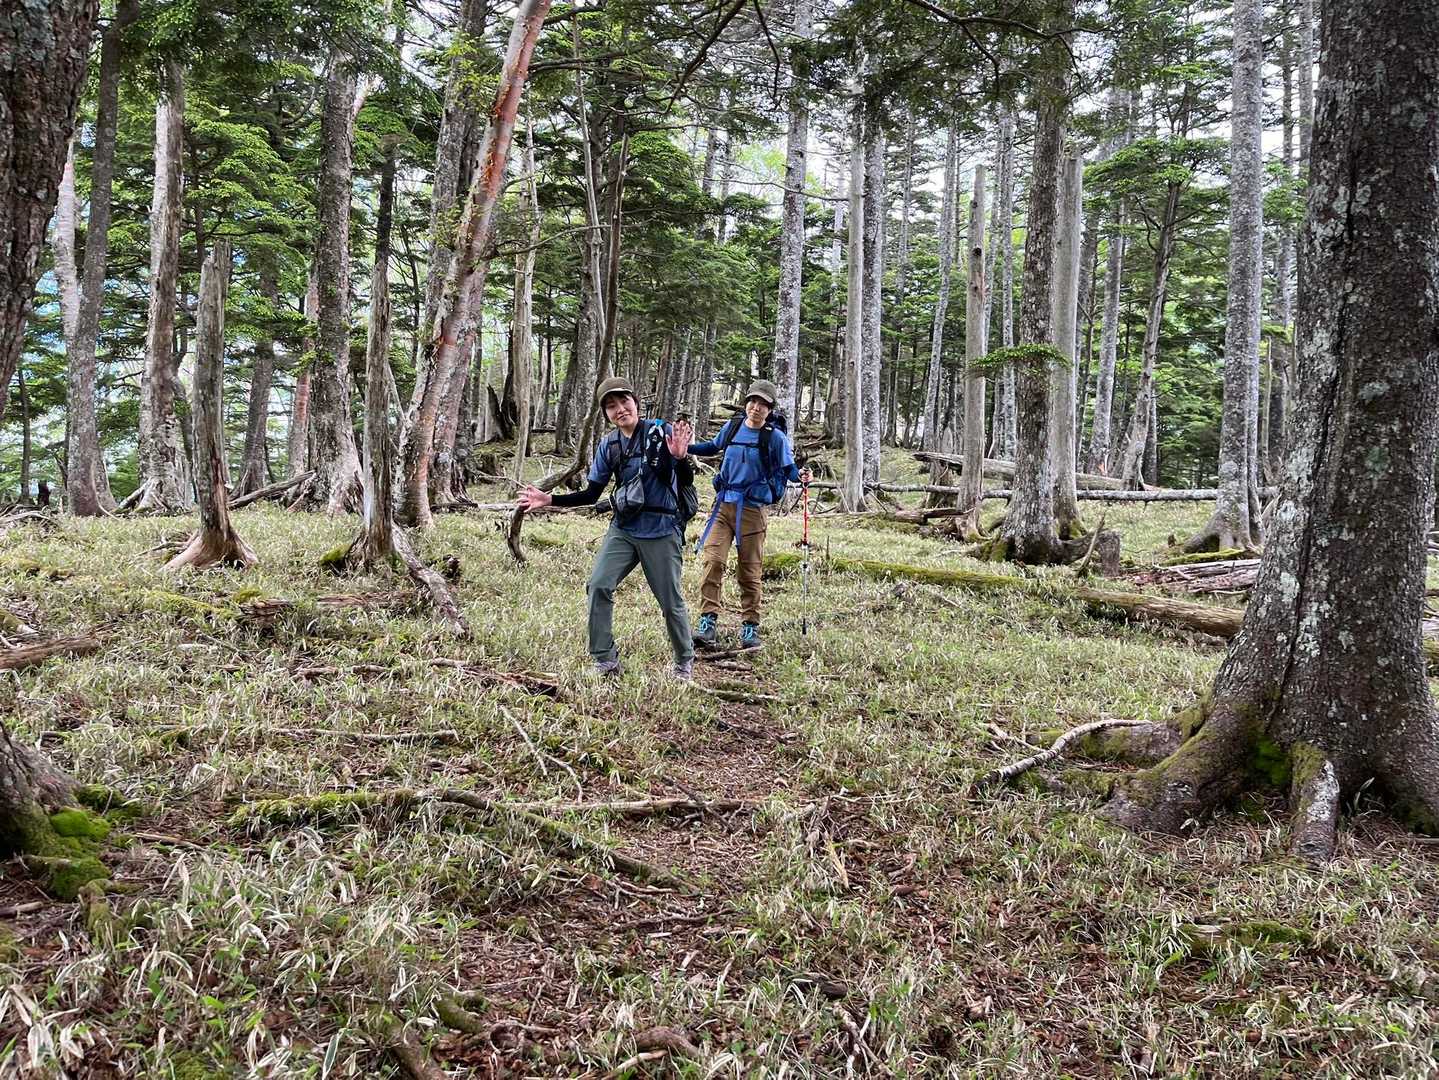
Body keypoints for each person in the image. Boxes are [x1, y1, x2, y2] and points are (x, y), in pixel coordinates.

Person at [517, 376, 696, 679]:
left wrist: (680, 459)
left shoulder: (660, 432)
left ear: (636, 403)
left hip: (661, 528)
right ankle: (604, 660)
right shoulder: (609, 444)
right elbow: (591, 494)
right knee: (599, 584)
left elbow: (684, 480)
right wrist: (549, 499)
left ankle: (684, 660)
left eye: (624, 401)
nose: (620, 409)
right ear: (606, 414)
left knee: (670, 601)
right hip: (624, 528)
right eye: (611, 406)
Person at [681, 379, 808, 649]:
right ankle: (707, 622)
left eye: (763, 404)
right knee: (713, 561)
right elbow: (712, 447)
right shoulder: (733, 426)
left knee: (749, 570)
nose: (756, 408)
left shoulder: (774, 438)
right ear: (746, 402)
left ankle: (750, 626)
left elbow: (790, 470)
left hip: (752, 511)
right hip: (722, 506)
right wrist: (684, 448)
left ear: (770, 409)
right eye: (753, 401)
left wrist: (802, 476)